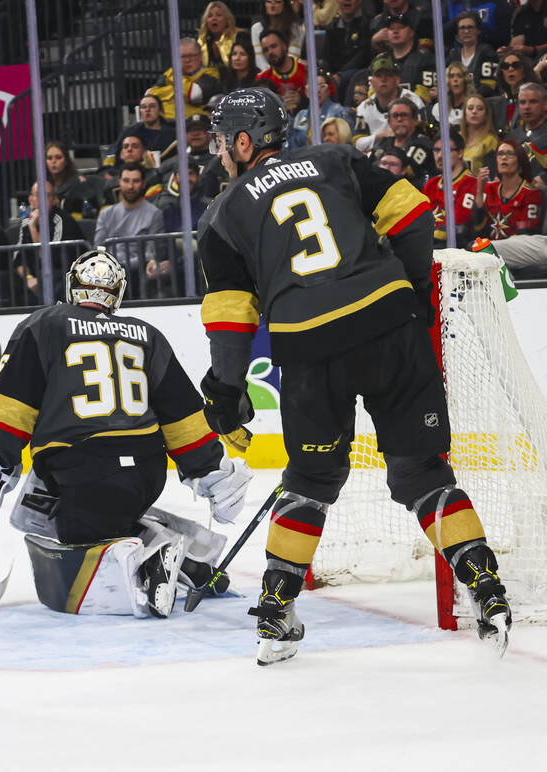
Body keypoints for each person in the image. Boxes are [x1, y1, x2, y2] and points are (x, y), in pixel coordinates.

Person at [199, 87, 512, 666]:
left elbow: (231, 319)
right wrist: (415, 294)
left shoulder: (222, 213)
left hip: (309, 345)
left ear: (244, 141)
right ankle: (486, 584)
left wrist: (225, 392)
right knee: (422, 472)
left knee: (310, 482)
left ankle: (275, 608)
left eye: (222, 141)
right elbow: (415, 213)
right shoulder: (334, 159)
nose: (219, 153)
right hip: (389, 322)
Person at [0, 248, 253, 618]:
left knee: (72, 534)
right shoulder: (146, 335)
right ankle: (194, 559)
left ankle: (152, 559)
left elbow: (8, 411)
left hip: (81, 470)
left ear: (74, 287)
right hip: (145, 474)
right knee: (61, 506)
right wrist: (211, 472)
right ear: (117, 293)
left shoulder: (43, 325)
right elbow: (183, 418)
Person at [8, 179, 85, 305]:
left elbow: (47, 259)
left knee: (49, 278)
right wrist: (28, 278)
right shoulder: (25, 223)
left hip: (65, 272)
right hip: (36, 275)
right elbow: (19, 260)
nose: (42, 200)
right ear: (31, 200)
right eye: (38, 195)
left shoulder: (62, 220)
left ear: (55, 199)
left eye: (47, 195)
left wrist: (33, 228)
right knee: (9, 281)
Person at [94, 162, 164, 299]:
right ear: (119, 182)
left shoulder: (155, 214)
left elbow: (151, 253)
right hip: (108, 273)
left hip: (137, 272)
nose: (130, 186)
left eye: (136, 181)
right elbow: (98, 250)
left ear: (144, 184)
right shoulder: (105, 214)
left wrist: (121, 266)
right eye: (126, 181)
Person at [474, 138, 542, 240]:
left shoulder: (531, 193)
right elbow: (478, 228)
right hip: (487, 250)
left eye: (510, 154)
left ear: (520, 160)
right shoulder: (488, 188)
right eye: (500, 154)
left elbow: (526, 234)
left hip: (517, 252)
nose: (504, 157)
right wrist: (479, 191)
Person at [358, 97, 435, 186]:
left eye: (404, 115)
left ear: (415, 120)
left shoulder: (424, 144)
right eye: (395, 115)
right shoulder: (383, 144)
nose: (399, 119)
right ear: (389, 122)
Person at [422, 129, 478, 245]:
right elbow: (419, 217)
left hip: (458, 246)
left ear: (460, 153)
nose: (440, 155)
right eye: (437, 150)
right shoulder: (432, 184)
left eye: (446, 150)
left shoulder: (471, 183)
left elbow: (459, 224)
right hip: (430, 244)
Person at [146, 37, 222, 120]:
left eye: (191, 55)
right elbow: (150, 95)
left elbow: (194, 95)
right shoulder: (170, 73)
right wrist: (177, 89)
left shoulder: (210, 73)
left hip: (194, 124)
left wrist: (176, 77)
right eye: (183, 56)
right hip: (166, 123)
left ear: (200, 56)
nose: (188, 60)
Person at [353, 57, 424, 142]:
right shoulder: (364, 107)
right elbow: (358, 142)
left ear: (397, 80)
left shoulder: (414, 101)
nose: (383, 79)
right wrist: (379, 137)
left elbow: (422, 135)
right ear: (371, 82)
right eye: (378, 76)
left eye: (388, 75)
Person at [381, 12, 436, 104]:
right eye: (391, 29)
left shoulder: (425, 58)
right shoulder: (380, 60)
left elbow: (427, 93)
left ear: (411, 32)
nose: (395, 31)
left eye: (400, 28)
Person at [255, 28, 308, 116]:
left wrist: (302, 100)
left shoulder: (306, 69)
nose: (270, 52)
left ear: (284, 46)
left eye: (274, 46)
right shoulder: (262, 79)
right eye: (265, 50)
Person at [447, 11, 499, 97]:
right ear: (458, 32)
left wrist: (469, 100)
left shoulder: (487, 52)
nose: (466, 31)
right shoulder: (453, 54)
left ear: (478, 30)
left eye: (470, 27)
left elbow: (488, 86)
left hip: (482, 102)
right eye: (462, 28)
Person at [325, 0, 370, 86]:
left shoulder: (367, 23)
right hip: (334, 76)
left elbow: (363, 55)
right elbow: (326, 57)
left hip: (358, 77)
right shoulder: (332, 27)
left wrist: (341, 75)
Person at [251, 0, 303, 72]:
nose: (273, 4)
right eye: (269, 1)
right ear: (264, 5)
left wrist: (284, 73)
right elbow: (259, 60)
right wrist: (271, 75)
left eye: (277, 1)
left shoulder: (296, 28)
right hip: (266, 76)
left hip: (291, 72)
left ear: (284, 5)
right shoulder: (256, 29)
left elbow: (294, 56)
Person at [197, 1, 242, 73]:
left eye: (219, 15)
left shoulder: (238, 37)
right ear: (206, 21)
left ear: (227, 20)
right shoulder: (201, 41)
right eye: (210, 16)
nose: (214, 18)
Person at [461, 93, 500, 174]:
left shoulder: (491, 141)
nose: (474, 111)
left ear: (486, 115)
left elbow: (491, 173)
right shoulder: (457, 138)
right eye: (470, 108)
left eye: (480, 109)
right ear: (465, 113)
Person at [431, 61, 474, 128]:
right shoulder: (439, 108)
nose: (455, 79)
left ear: (465, 80)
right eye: (451, 76)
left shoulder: (473, 108)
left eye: (459, 76)